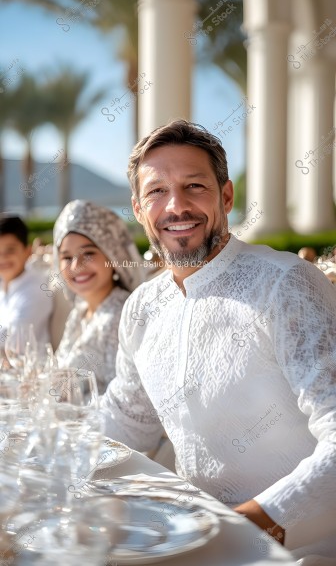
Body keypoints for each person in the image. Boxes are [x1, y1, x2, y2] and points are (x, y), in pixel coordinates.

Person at [100, 120, 336, 562]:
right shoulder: (142, 308)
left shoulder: (285, 285)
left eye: (194, 186)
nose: (176, 206)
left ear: (226, 196)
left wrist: (241, 530)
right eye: (156, 192)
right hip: (193, 539)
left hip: (301, 549)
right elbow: (126, 423)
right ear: (137, 208)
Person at [54, 200, 144, 393]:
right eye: (67, 257)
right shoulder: (80, 311)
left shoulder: (122, 318)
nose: (76, 265)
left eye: (88, 253)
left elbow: (127, 399)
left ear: (113, 256)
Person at [0, 214, 52, 356]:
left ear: (28, 251)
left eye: (10, 250)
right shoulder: (4, 284)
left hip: (29, 373)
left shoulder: (36, 290)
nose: (2, 257)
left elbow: (12, 340)